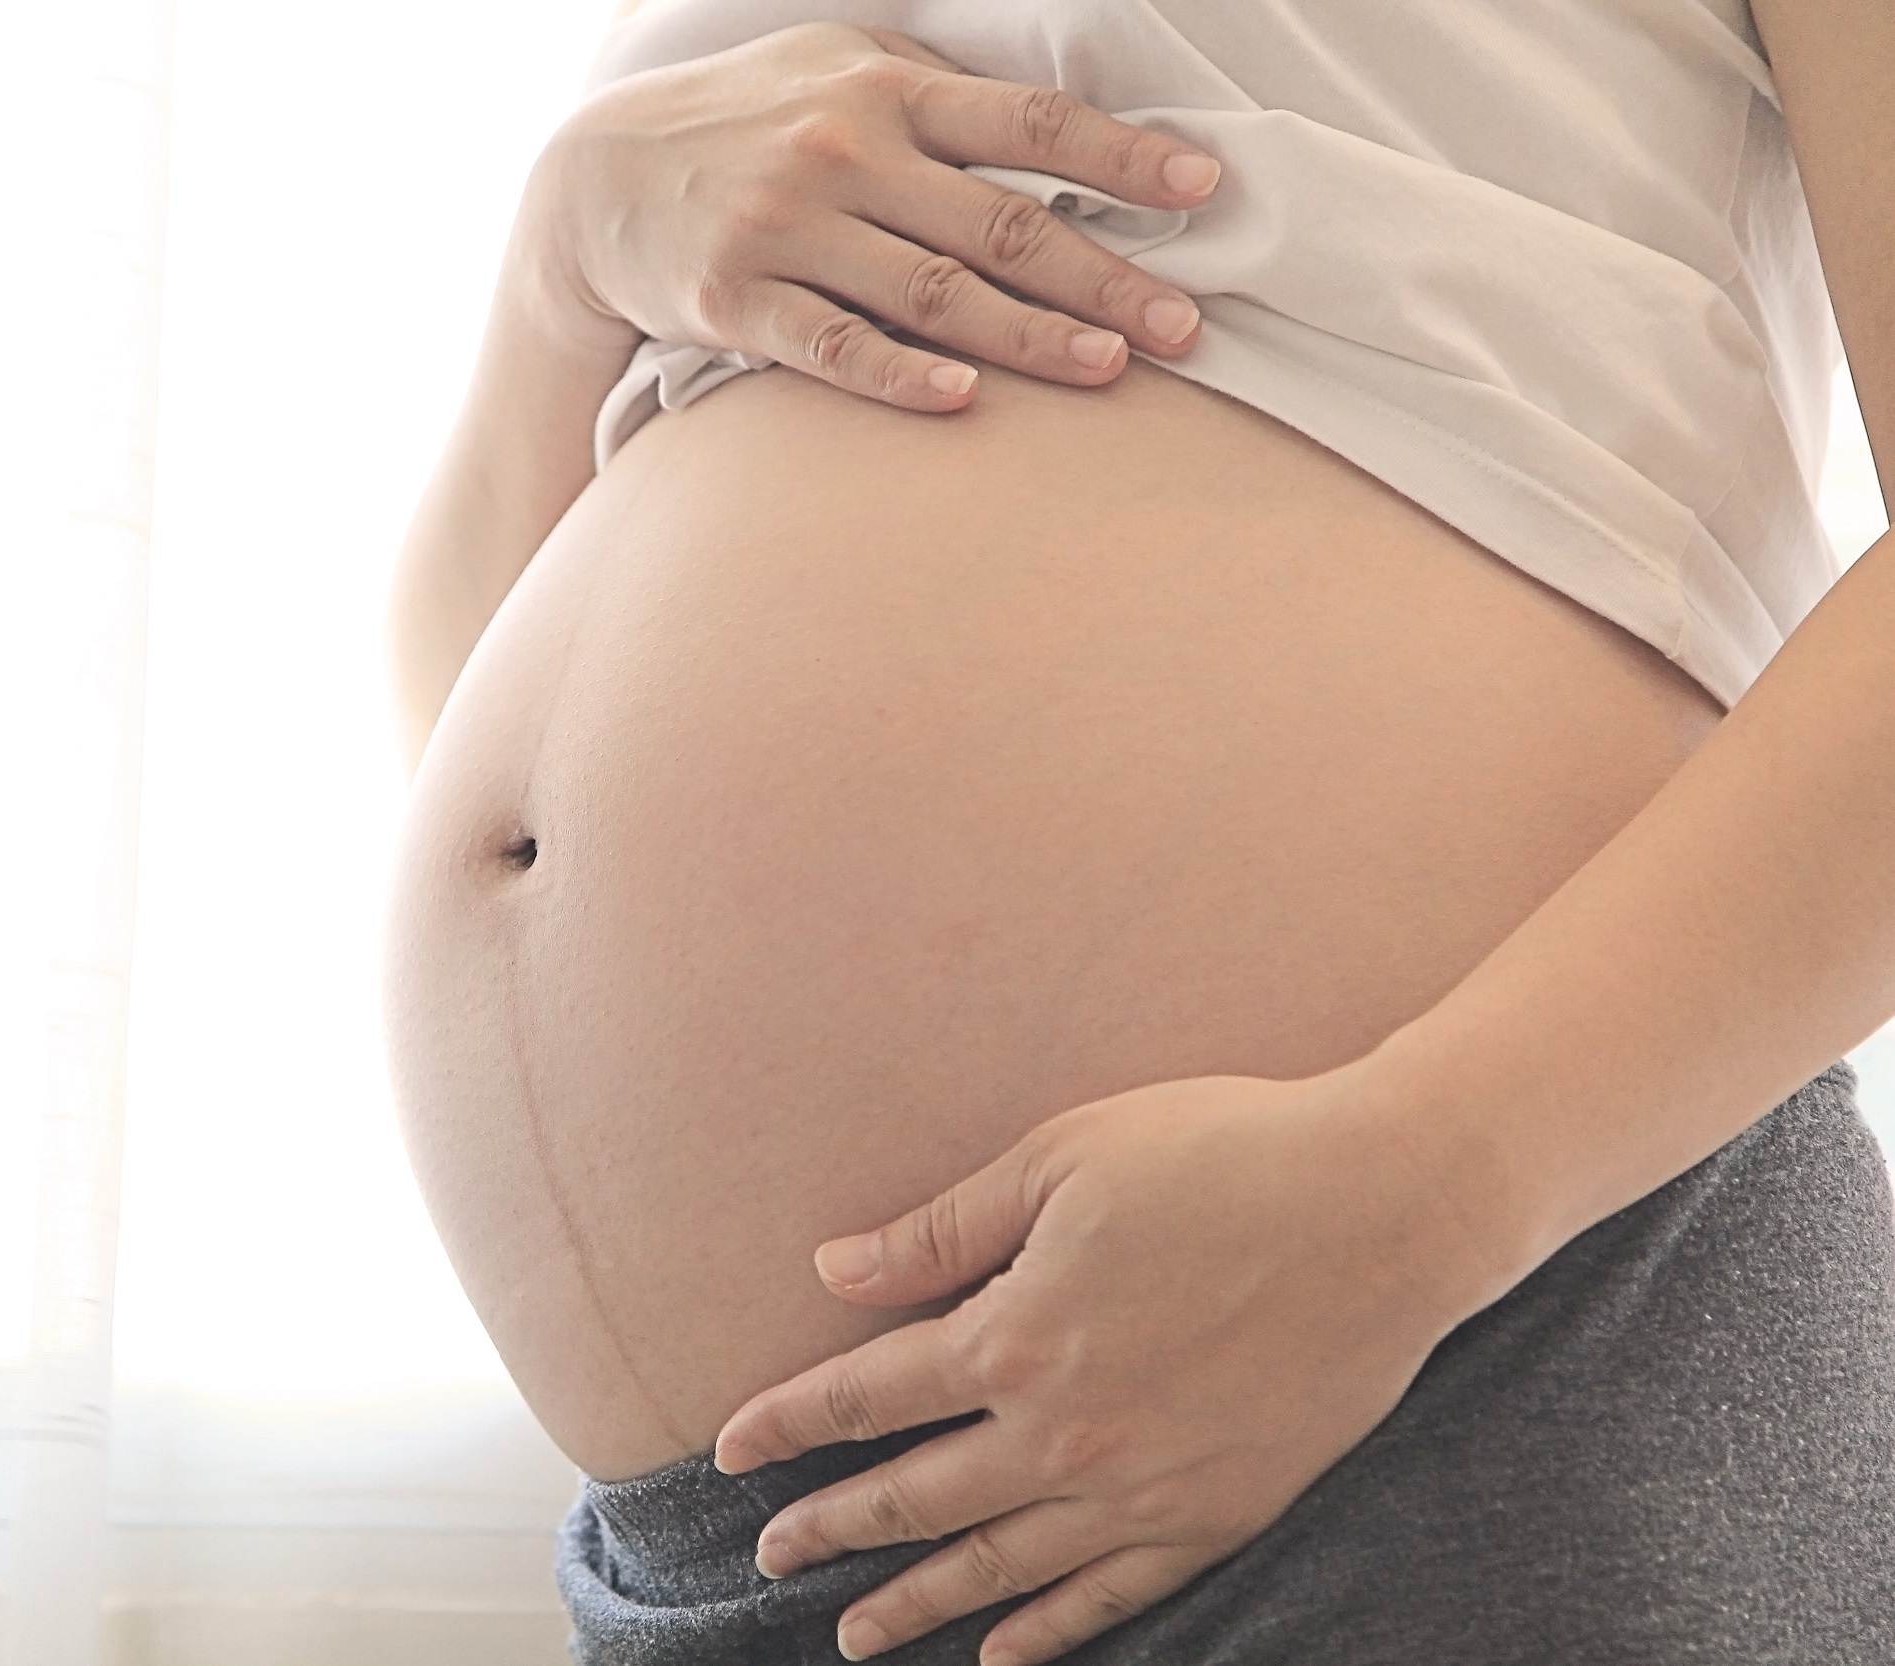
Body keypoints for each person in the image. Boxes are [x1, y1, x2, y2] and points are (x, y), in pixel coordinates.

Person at [382, 1, 1895, 1661]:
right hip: (737, 1532)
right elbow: (469, 711)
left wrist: (1425, 1194)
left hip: (1429, 1353)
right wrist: (559, 269)